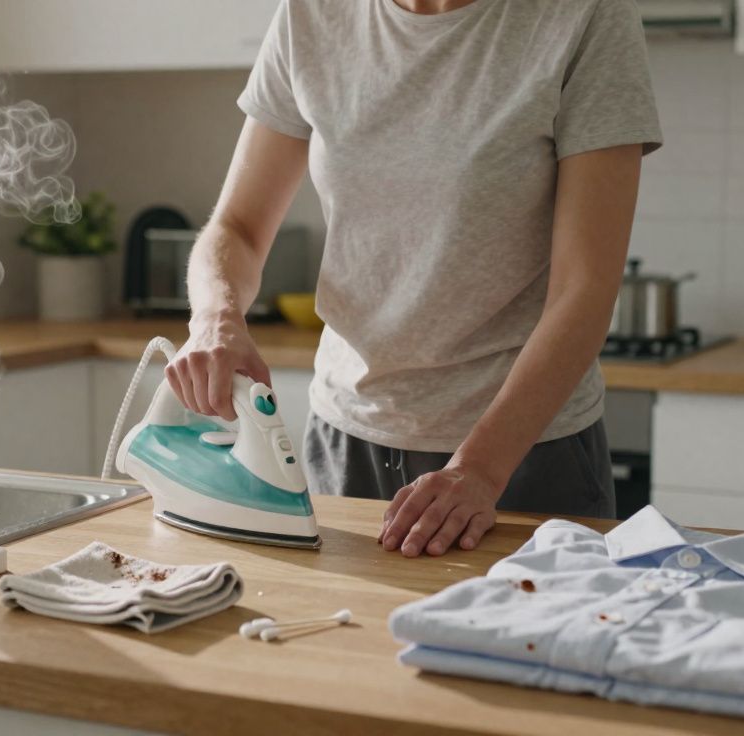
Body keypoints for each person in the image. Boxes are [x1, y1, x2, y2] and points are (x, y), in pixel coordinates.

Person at [164, 0, 662, 557]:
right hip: (344, 441)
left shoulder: (584, 15)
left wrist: (479, 469)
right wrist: (215, 319)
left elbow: (585, 290)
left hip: (523, 454)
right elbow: (237, 227)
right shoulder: (312, 14)